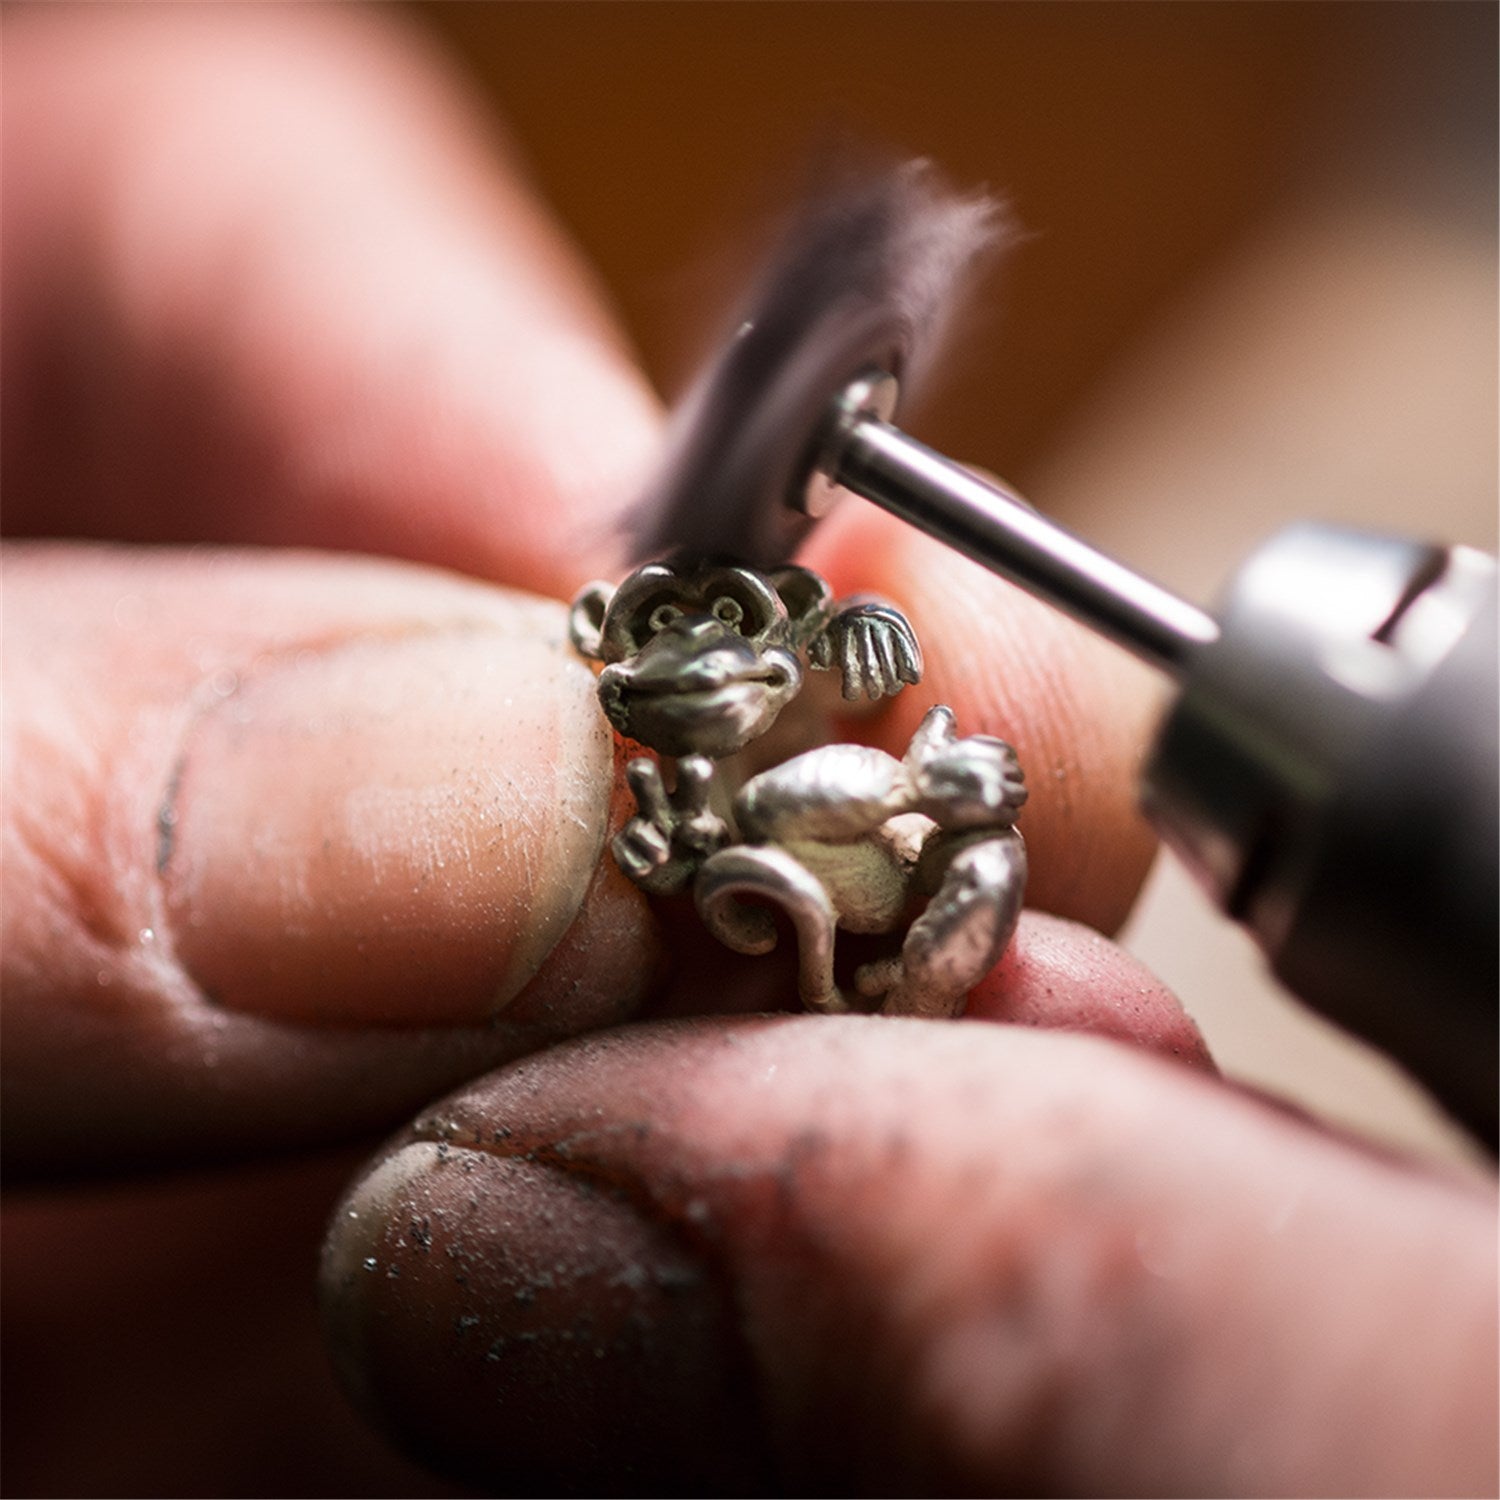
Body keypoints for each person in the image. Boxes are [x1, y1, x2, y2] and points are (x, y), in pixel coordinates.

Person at [3, 6, 1493, 1496]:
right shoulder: (641, 777)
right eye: (681, 643)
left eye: (738, 638)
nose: (714, 662)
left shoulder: (819, 674)